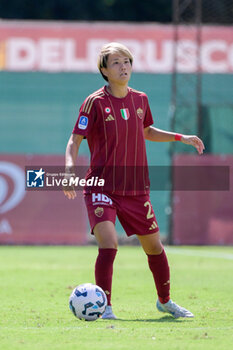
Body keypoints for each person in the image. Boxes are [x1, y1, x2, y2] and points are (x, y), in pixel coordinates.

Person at [63, 42, 205, 319]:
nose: (123, 66)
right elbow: (74, 140)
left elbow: (147, 130)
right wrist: (69, 169)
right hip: (101, 187)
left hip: (136, 189)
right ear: (104, 70)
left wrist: (181, 137)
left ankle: (165, 301)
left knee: (154, 247)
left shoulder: (140, 99)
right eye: (116, 62)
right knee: (108, 243)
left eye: (126, 60)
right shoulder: (94, 102)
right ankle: (106, 307)